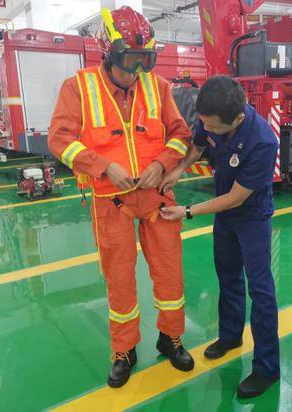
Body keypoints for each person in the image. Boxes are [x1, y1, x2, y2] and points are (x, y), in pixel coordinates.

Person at [48, 6, 194, 388]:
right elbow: (59, 139)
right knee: (120, 280)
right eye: (131, 60)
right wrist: (102, 166)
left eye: (146, 60)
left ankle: (171, 337)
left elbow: (181, 134)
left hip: (157, 196)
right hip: (109, 200)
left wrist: (163, 163)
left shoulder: (157, 86)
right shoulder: (78, 87)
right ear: (108, 54)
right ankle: (124, 350)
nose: (138, 70)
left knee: (169, 273)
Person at [160, 76, 280, 398]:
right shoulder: (211, 116)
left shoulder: (263, 142)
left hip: (250, 215)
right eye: (204, 123)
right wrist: (178, 171)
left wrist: (187, 211)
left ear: (237, 119)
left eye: (213, 127)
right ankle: (230, 335)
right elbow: (197, 146)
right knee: (227, 277)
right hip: (225, 215)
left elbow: (236, 198)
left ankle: (267, 367)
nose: (207, 129)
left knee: (260, 288)